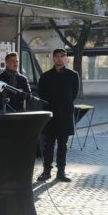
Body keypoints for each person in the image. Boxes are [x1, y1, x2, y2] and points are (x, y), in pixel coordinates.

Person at [37, 48, 80, 182]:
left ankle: (61, 172)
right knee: (48, 144)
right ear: (53, 58)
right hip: (50, 115)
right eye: (57, 56)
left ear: (66, 58)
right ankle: (46, 171)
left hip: (65, 114)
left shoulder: (73, 75)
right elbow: (41, 94)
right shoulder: (45, 76)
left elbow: (73, 94)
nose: (59, 59)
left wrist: (64, 104)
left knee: (63, 145)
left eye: (62, 56)